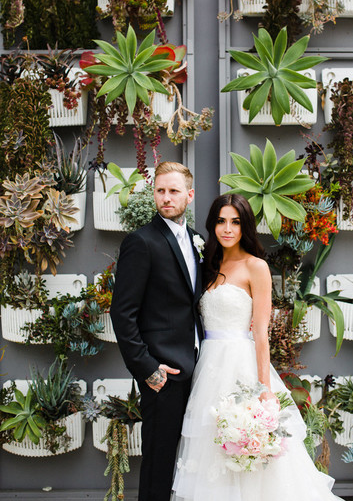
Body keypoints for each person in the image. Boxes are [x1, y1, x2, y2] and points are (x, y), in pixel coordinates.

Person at [172, 193, 345, 501]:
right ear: (212, 225)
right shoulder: (206, 266)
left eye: (235, 222)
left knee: (249, 444)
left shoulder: (256, 267)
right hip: (207, 368)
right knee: (212, 447)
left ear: (245, 227)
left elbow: (261, 334)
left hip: (241, 365)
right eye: (221, 221)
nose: (227, 229)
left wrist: (264, 389)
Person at [110, 161, 204, 501]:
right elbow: (122, 313)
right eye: (160, 190)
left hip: (200, 368)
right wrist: (147, 368)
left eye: (174, 191)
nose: (166, 197)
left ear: (189, 195)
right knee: (159, 463)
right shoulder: (141, 242)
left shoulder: (198, 240)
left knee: (195, 461)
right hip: (163, 374)